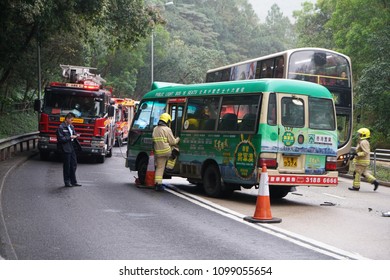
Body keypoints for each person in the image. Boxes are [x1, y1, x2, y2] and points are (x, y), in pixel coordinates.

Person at [152, 113, 180, 191]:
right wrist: (178, 138)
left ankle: (158, 184)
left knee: (159, 168)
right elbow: (173, 142)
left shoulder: (155, 129)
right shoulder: (167, 129)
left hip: (158, 152)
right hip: (166, 151)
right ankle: (169, 167)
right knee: (176, 150)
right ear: (167, 121)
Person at [56, 112, 82, 187]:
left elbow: (73, 135)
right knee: (67, 165)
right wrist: (70, 137)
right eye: (71, 120)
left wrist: (76, 136)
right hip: (65, 147)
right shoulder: (61, 127)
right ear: (67, 119)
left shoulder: (71, 127)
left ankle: (73, 181)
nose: (72, 121)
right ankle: (67, 181)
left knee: (74, 164)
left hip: (72, 146)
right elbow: (60, 139)